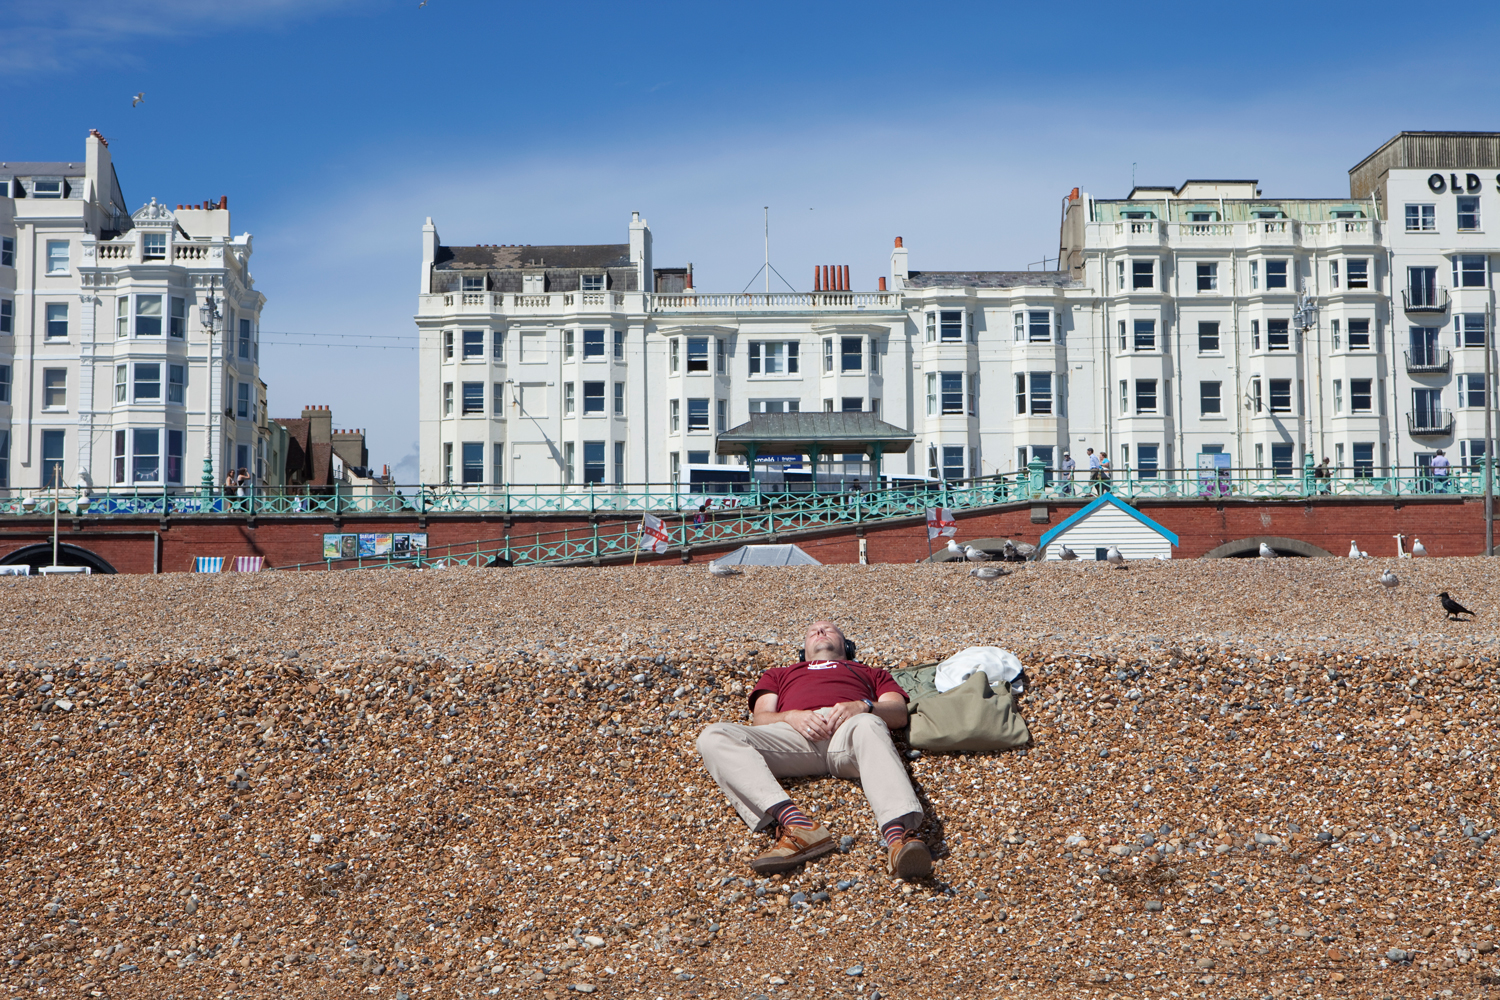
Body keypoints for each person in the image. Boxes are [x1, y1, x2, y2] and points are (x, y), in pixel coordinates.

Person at [697, 621, 932, 880]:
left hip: (851, 737)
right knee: (714, 735)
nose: (819, 632)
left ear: (846, 646)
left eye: (829, 630)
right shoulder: (778, 673)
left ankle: (898, 841)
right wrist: (790, 717)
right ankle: (798, 826)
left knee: (869, 723)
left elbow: (898, 714)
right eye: (812, 632)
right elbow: (760, 718)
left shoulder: (871, 672)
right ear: (803, 650)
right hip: (793, 739)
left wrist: (863, 705)